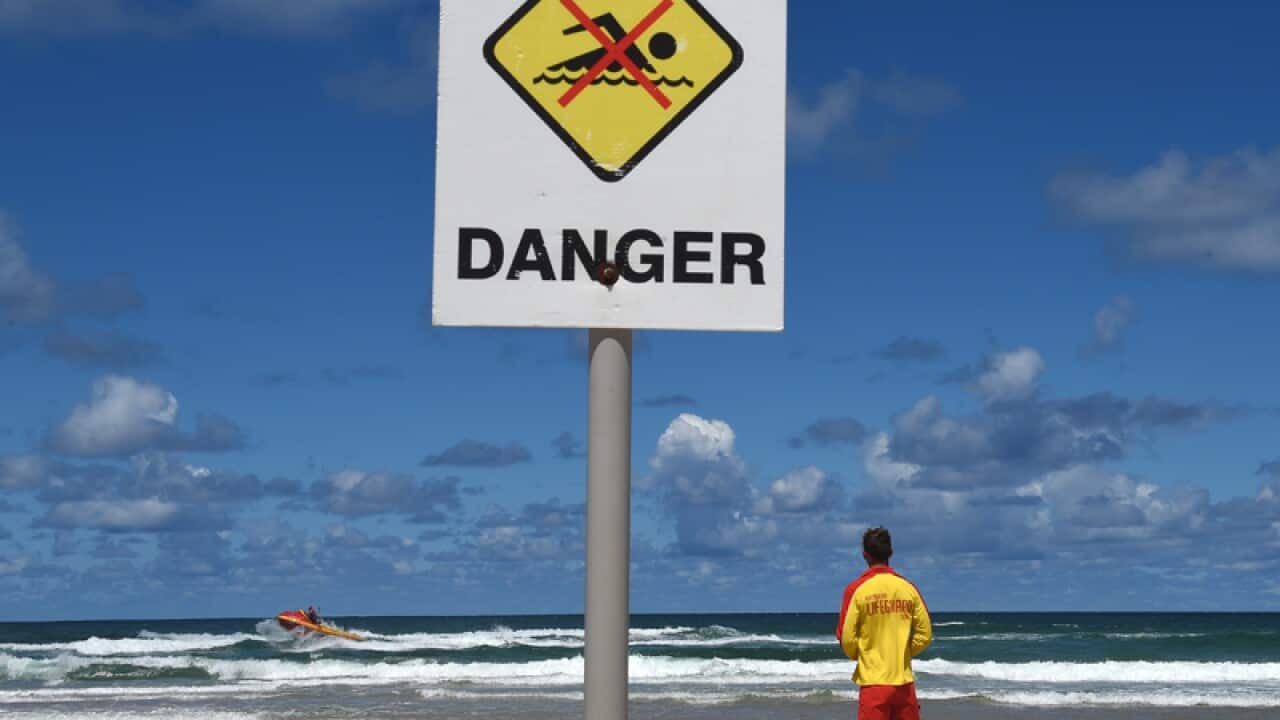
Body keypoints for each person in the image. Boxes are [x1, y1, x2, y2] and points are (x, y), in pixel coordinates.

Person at [836, 527, 933, 720]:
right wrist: (902, 652)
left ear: (865, 555)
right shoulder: (908, 588)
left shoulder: (856, 589)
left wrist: (864, 654)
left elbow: (846, 638)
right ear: (891, 553)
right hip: (904, 684)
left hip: (873, 684)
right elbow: (925, 634)